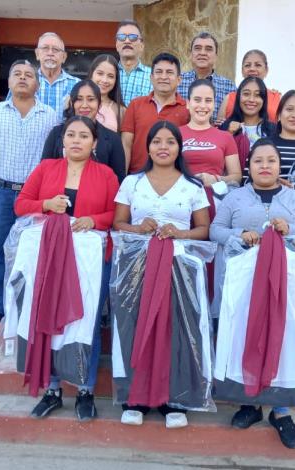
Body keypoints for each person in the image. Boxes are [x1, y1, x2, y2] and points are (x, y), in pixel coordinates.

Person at [210, 139, 295, 450]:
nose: (265, 166)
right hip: (244, 286)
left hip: (285, 287)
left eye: (271, 160)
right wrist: (239, 235)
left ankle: (281, 410)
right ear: (248, 166)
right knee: (247, 336)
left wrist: (291, 232)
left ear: (279, 165)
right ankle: (250, 403)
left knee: (281, 341)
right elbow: (215, 230)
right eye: (258, 161)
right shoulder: (234, 199)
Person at [14, 115, 119, 420]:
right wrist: (45, 205)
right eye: (71, 134)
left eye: (83, 136)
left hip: (89, 260)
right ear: (62, 140)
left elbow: (117, 212)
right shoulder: (47, 168)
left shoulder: (107, 174)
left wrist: (95, 220)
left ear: (94, 143)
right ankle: (53, 389)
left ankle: (85, 390)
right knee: (47, 316)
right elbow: (21, 204)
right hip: (49, 257)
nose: (76, 140)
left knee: (85, 320)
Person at [112, 120, 211, 429]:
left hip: (179, 267)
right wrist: (138, 227)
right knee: (135, 326)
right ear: (148, 146)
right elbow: (118, 223)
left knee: (177, 329)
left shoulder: (192, 186)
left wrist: (180, 232)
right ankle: (135, 398)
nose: (163, 147)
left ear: (179, 147)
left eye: (170, 141)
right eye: (157, 141)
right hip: (136, 265)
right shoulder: (132, 183)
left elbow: (204, 229)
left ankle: (175, 398)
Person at [0, 60, 58, 323]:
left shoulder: (50, 116)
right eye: (16, 74)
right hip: (0, 192)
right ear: (8, 81)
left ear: (37, 84)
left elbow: (53, 159)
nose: (22, 78)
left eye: (29, 75)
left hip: (34, 196)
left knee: (31, 250)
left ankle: (28, 301)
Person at [41, 79, 126, 182]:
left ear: (99, 105)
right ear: (72, 103)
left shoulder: (113, 139)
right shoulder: (57, 133)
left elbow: (118, 179)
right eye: (79, 99)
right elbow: (43, 171)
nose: (84, 105)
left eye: (90, 99)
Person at [122, 52, 190, 175]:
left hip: (175, 178)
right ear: (151, 78)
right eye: (159, 72)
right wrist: (123, 177)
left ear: (179, 80)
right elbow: (126, 144)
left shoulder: (188, 109)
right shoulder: (135, 105)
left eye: (169, 73)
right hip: (137, 176)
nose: (163, 77)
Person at [180, 79, 241, 215]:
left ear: (214, 104)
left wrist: (216, 179)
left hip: (213, 199)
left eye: (208, 100)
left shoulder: (225, 137)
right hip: (179, 199)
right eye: (197, 100)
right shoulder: (175, 134)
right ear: (188, 104)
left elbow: (236, 176)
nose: (203, 106)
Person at [6, 32, 79, 122]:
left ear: (64, 57)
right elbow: (8, 112)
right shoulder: (23, 82)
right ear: (37, 54)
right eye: (45, 48)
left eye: (55, 49)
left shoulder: (77, 85)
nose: (50, 53)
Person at [218, 76, 277, 180]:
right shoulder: (225, 127)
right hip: (232, 189)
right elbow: (217, 162)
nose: (251, 100)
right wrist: (229, 134)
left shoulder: (273, 130)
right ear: (238, 97)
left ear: (264, 100)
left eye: (258, 95)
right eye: (246, 94)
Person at [178, 32, 236, 121]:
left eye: (208, 49)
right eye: (197, 48)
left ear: (216, 56)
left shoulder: (229, 87)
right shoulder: (177, 82)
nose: (202, 53)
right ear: (190, 54)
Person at [217, 49, 281, 123]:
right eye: (247, 65)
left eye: (258, 65)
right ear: (242, 70)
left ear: (266, 70)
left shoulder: (276, 98)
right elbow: (219, 129)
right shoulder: (229, 98)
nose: (252, 69)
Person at [115, 20, 152, 107]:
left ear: (142, 46)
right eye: (121, 37)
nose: (127, 41)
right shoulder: (108, 75)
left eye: (133, 37)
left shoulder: (153, 76)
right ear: (116, 44)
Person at [88, 54, 126, 133]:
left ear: (116, 80)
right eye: (100, 73)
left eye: (110, 76)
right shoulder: (76, 101)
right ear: (91, 74)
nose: (104, 80)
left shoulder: (120, 110)